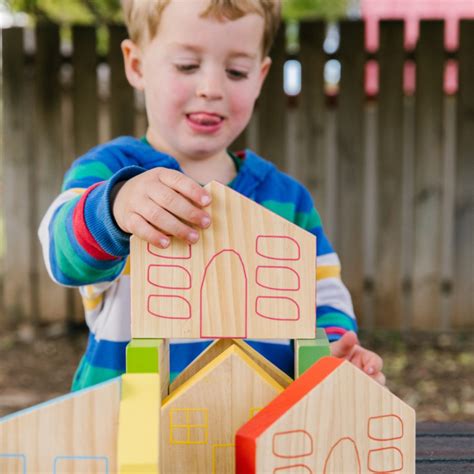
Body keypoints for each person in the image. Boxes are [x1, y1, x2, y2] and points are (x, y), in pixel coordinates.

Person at [39, 0, 385, 391]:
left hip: (261, 430)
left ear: (261, 76)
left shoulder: (288, 200)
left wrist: (334, 356)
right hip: (124, 429)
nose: (211, 89)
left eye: (236, 71)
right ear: (136, 65)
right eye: (187, 66)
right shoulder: (109, 173)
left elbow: (323, 296)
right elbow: (62, 256)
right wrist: (115, 208)